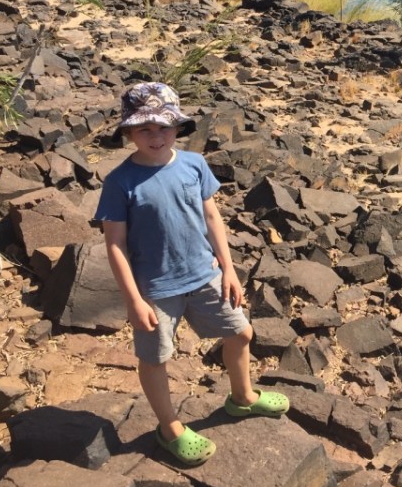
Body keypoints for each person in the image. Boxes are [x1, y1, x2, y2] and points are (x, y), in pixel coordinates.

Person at [95, 82, 289, 466]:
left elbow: (212, 216)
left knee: (241, 332)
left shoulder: (193, 164)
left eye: (164, 127)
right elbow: (115, 244)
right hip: (155, 287)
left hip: (204, 274)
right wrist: (133, 300)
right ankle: (169, 428)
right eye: (145, 129)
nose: (156, 136)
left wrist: (229, 269)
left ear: (177, 128)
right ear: (129, 133)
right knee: (155, 358)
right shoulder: (120, 181)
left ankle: (242, 397)